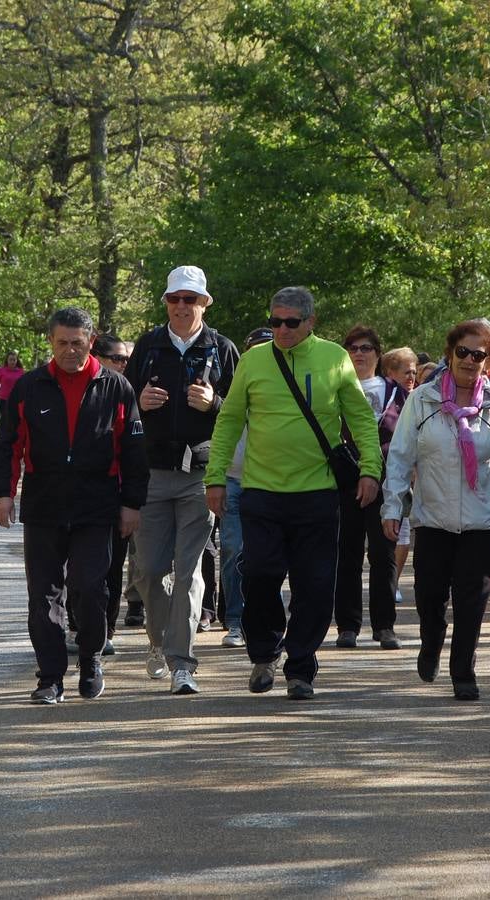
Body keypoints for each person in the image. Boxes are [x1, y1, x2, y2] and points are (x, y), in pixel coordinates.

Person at [204, 286, 383, 701]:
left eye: (290, 322)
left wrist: (370, 470)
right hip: (261, 491)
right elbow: (228, 422)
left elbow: (360, 419)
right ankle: (264, 652)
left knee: (315, 585)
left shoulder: (335, 358)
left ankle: (300, 667)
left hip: (317, 494)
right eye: (275, 321)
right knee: (260, 574)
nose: (281, 330)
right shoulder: (252, 361)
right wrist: (215, 478)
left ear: (310, 322)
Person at [0, 307, 148, 705]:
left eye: (77, 343)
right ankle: (50, 677)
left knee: (90, 588)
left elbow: (133, 450)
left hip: (97, 506)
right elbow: (8, 444)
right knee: (44, 595)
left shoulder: (116, 387)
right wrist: (3, 493)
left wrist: (132, 504)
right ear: (50, 342)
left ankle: (92, 658)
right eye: (62, 342)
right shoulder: (29, 387)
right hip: (44, 504)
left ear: (91, 342)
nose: (70, 350)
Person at [381, 320, 490, 702]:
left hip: (484, 521)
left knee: (472, 597)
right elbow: (401, 457)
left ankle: (462, 669)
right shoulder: (423, 401)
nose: (470, 360)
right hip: (433, 518)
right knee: (429, 596)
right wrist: (393, 506)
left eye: (479, 355)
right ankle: (431, 640)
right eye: (463, 352)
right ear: (450, 354)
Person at [125, 265, 240, 696]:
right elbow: (122, 407)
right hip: (152, 473)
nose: (181, 306)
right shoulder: (149, 346)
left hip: (200, 475)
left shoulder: (223, 349)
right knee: (151, 572)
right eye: (174, 299)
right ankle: (159, 642)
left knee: (190, 572)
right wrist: (139, 401)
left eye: (190, 299)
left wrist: (215, 404)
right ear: (166, 302)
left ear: (204, 303)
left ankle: (183, 663)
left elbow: (244, 410)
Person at [334, 324, 407, 650]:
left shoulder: (396, 391)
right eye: (353, 348)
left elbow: (408, 436)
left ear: (378, 354)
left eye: (366, 348)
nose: (360, 354)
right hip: (344, 480)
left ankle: (384, 626)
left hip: (387, 482)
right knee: (346, 554)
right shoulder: (334, 388)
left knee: (383, 553)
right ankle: (347, 626)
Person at [67, 334, 133, 655]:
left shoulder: (127, 392)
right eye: (117, 359)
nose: (123, 365)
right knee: (79, 567)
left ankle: (106, 630)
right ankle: (75, 625)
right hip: (81, 495)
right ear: (98, 356)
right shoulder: (82, 391)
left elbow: (137, 448)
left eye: (126, 360)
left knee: (113, 565)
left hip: (119, 495)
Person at [218, 326, 275, 649]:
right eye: (253, 350)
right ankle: (236, 621)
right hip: (235, 481)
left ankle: (269, 618)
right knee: (233, 550)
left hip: (273, 484)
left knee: (269, 557)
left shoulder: (284, 389)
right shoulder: (232, 391)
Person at [381, 347, 419, 604]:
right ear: (390, 372)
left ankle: (392, 581)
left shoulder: (417, 399)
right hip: (379, 470)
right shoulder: (382, 396)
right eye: (406, 372)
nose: (411, 377)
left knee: (402, 532)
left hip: (406, 476)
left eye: (414, 372)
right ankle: (382, 579)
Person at [0, 351, 24, 425]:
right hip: (3, 400)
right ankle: (4, 435)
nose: (12, 362)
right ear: (7, 360)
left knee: (15, 421)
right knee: (6, 420)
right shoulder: (1, 371)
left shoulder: (21, 372)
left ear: (17, 361)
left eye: (14, 360)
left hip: (16, 400)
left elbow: (24, 386)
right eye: (10, 360)